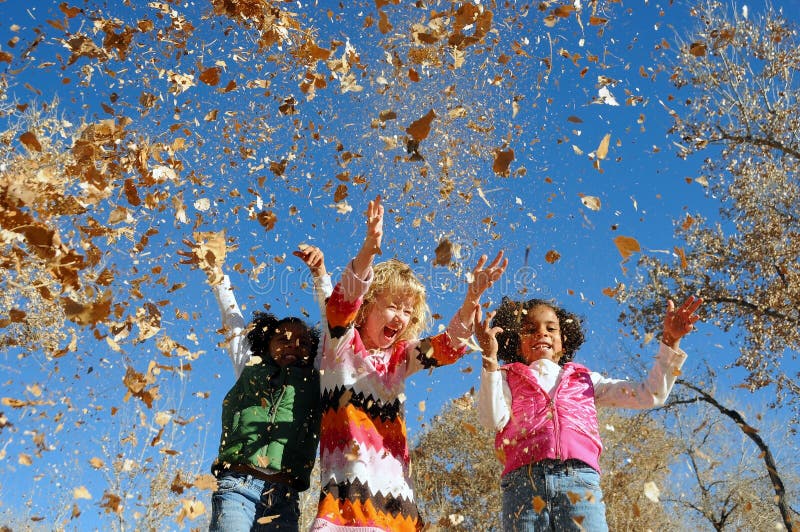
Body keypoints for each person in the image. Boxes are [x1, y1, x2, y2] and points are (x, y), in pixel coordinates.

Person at [311, 196, 507, 531]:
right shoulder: (340, 343)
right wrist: (370, 250)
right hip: (347, 509)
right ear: (368, 304)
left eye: (408, 311)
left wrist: (471, 298)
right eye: (393, 306)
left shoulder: (400, 358)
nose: (401, 318)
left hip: (399, 511)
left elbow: (447, 347)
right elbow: (341, 302)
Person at [475, 293, 703, 531]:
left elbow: (650, 394)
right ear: (515, 341)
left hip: (580, 480)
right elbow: (492, 419)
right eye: (530, 329)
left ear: (563, 341)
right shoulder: (504, 376)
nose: (541, 333)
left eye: (550, 328)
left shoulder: (586, 380)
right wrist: (490, 361)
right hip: (523, 483)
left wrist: (670, 342)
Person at [182, 238, 331, 531]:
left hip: (284, 496)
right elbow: (233, 318)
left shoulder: (316, 376)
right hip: (239, 485)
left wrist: (320, 275)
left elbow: (332, 325)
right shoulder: (250, 364)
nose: (293, 346)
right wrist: (216, 273)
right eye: (282, 339)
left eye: (302, 343)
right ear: (267, 344)